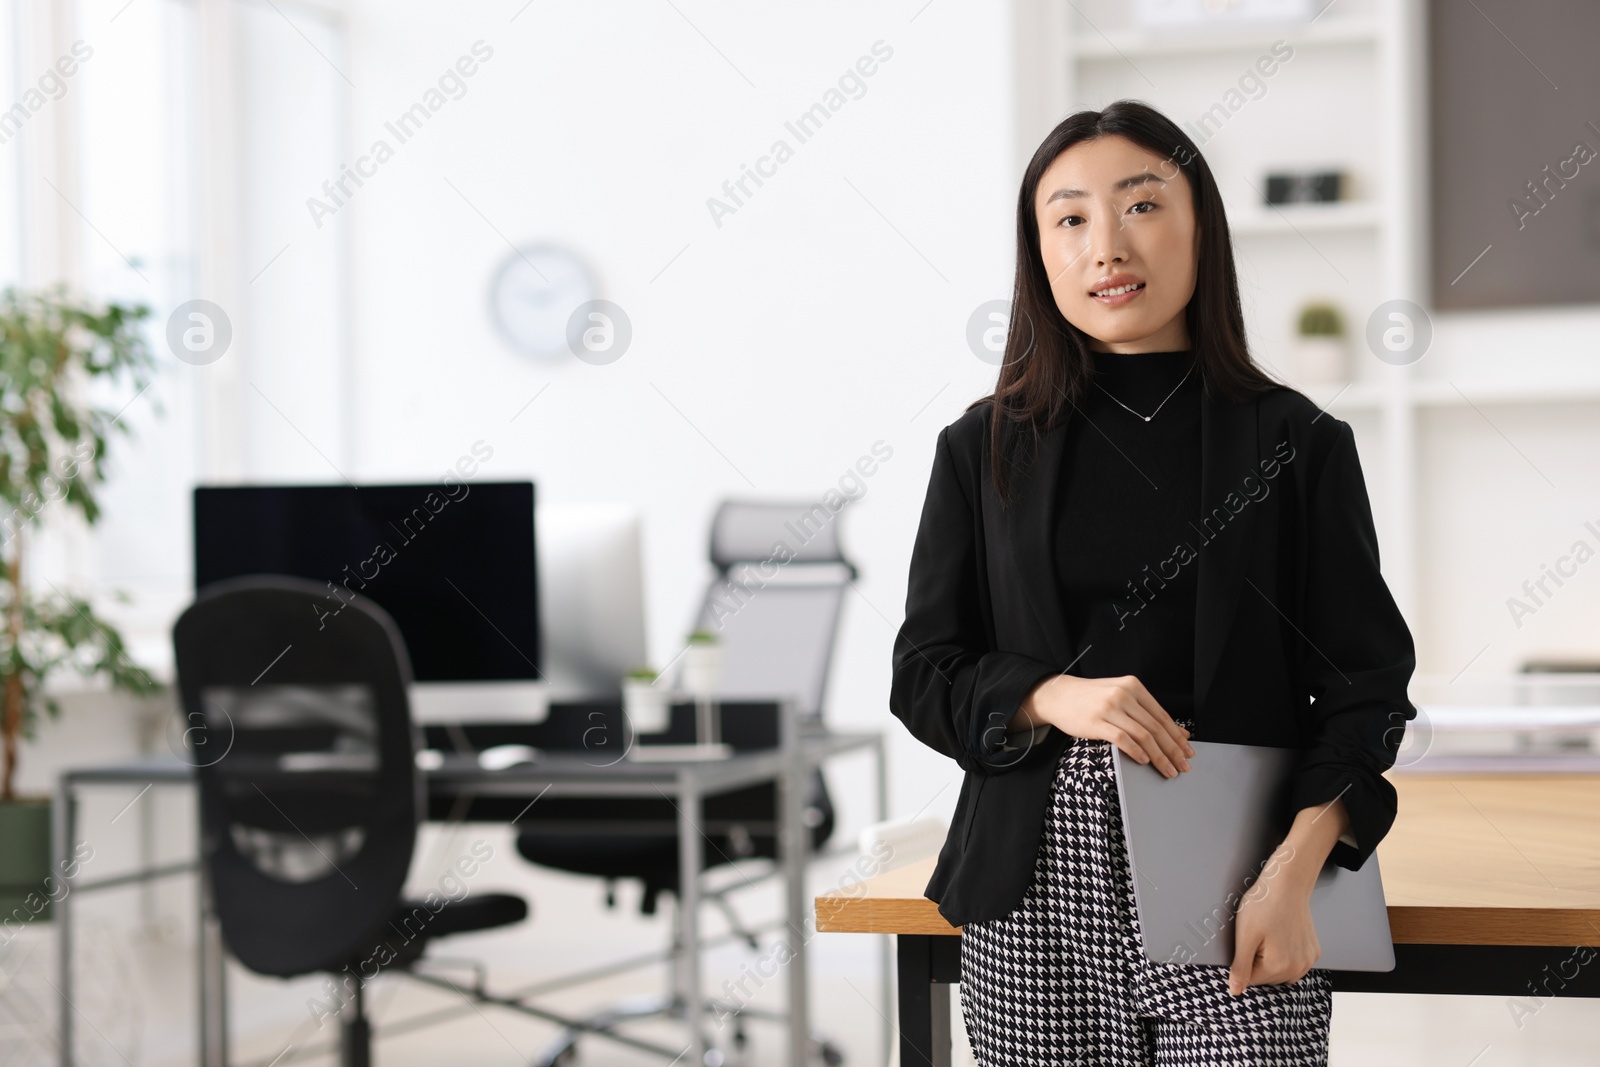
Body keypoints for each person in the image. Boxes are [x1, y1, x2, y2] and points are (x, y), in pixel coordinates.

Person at [888, 99, 1417, 1064]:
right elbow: (924, 672)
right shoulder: (982, 448)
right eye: (1070, 218)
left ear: (1200, 227)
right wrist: (1049, 694)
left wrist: (1295, 873)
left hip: (1242, 878)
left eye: (1140, 205)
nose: (1106, 245)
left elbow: (1366, 692)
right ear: (1040, 254)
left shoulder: (1297, 444)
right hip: (1034, 888)